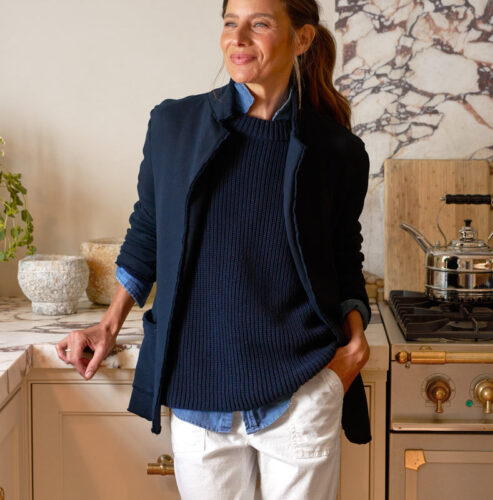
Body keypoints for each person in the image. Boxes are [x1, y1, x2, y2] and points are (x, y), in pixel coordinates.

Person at [56, 0, 372, 498]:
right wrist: (108, 323)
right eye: (230, 22)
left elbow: (344, 255)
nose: (238, 38)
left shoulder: (338, 150)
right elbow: (148, 232)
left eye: (259, 23)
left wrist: (352, 348)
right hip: (199, 393)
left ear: (303, 38)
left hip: (300, 390)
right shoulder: (173, 126)